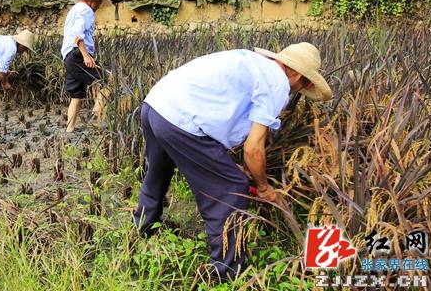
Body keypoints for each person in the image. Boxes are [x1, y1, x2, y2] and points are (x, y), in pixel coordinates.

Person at [133, 42, 332, 281]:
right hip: (180, 120)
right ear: (298, 75)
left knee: (159, 170)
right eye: (305, 85)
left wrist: (230, 165)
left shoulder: (254, 64)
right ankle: (226, 273)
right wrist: (264, 187)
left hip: (155, 105)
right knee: (231, 189)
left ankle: (142, 229)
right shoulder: (277, 83)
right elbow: (253, 147)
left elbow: (220, 120)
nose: (299, 91)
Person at [60, 0, 109, 133]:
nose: (99, 5)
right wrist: (86, 55)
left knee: (77, 95)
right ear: (91, 0)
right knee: (108, 81)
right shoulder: (86, 10)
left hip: (69, 57)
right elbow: (77, 33)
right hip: (78, 55)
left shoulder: (74, 9)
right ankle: (96, 117)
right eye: (99, 2)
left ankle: (70, 130)